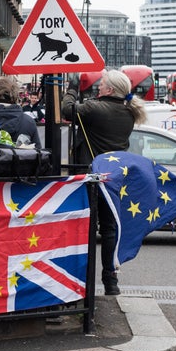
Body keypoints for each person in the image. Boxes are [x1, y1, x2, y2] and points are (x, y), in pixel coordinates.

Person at [61, 69, 147, 295]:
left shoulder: (95, 108)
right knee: (109, 229)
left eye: (102, 84)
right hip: (114, 178)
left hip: (91, 177)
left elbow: (65, 110)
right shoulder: (128, 113)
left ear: (110, 89)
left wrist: (72, 87)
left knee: (85, 228)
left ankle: (82, 283)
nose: (99, 86)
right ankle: (110, 281)